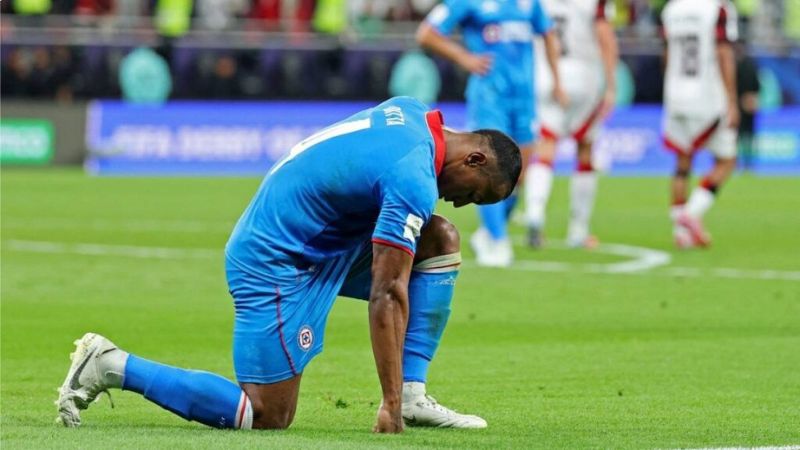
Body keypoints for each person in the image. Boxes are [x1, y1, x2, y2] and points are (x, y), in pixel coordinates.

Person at [56, 96, 522, 433]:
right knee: (267, 415)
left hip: (322, 243)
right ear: (475, 158)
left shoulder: (415, 113)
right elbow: (387, 292)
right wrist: (387, 403)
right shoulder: (413, 177)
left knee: (438, 239)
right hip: (275, 263)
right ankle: (110, 364)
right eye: (476, 194)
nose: (462, 202)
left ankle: (416, 399)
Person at [417, 0, 565, 267]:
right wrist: (465, 58)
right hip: (490, 97)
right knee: (491, 168)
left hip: (524, 98)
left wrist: (556, 80)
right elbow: (426, 33)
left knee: (519, 172)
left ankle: (490, 233)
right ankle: (498, 240)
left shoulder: (529, 3)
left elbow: (549, 33)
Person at [526, 0, 619, 249]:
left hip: (545, 75)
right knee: (586, 149)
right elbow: (605, 37)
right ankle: (578, 230)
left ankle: (535, 215)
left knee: (545, 148)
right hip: (583, 78)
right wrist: (611, 85)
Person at [661, 0, 739, 248]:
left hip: (675, 93)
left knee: (682, 164)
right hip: (708, 96)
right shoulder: (718, 9)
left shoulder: (671, 10)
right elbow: (724, 53)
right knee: (726, 160)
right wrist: (732, 98)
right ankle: (691, 214)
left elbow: (666, 54)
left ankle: (680, 233)